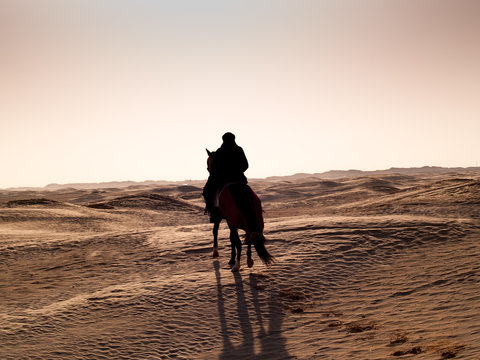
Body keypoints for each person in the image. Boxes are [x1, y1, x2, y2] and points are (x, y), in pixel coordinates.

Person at [203, 132, 249, 219]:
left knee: (207, 190)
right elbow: (246, 165)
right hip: (240, 179)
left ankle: (213, 213)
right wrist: (237, 171)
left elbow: (214, 168)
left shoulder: (220, 151)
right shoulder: (239, 149)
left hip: (224, 181)